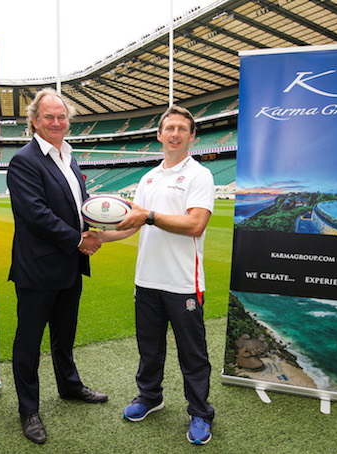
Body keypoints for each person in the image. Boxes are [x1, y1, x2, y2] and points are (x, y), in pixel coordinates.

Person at [99, 105, 216, 445]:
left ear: (192, 136)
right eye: (170, 128)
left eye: (182, 128)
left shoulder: (199, 176)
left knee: (192, 355)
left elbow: (196, 224)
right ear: (160, 135)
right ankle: (150, 397)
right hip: (147, 282)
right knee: (149, 349)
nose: (175, 133)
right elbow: (132, 225)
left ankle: (199, 413)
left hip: (183, 284)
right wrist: (100, 237)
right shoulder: (148, 177)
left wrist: (149, 215)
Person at [7, 88, 107, 445]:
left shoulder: (68, 156)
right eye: (48, 117)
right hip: (38, 270)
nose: (56, 122)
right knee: (29, 342)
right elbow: (36, 216)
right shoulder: (24, 160)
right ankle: (28, 409)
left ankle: (69, 386)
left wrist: (102, 212)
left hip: (68, 266)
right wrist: (79, 239)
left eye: (61, 117)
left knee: (64, 337)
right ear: (34, 120)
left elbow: (75, 203)